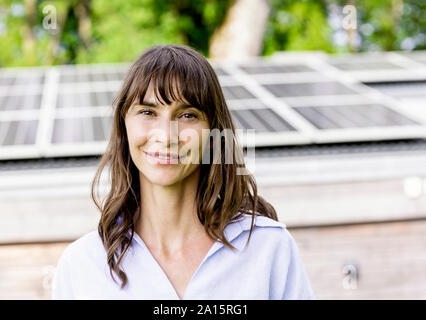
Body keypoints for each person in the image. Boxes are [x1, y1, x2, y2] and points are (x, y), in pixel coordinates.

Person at [52, 44, 315, 300]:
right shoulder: (82, 265)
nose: (167, 136)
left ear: (213, 133)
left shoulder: (269, 248)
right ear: (125, 127)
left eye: (187, 115)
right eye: (147, 112)